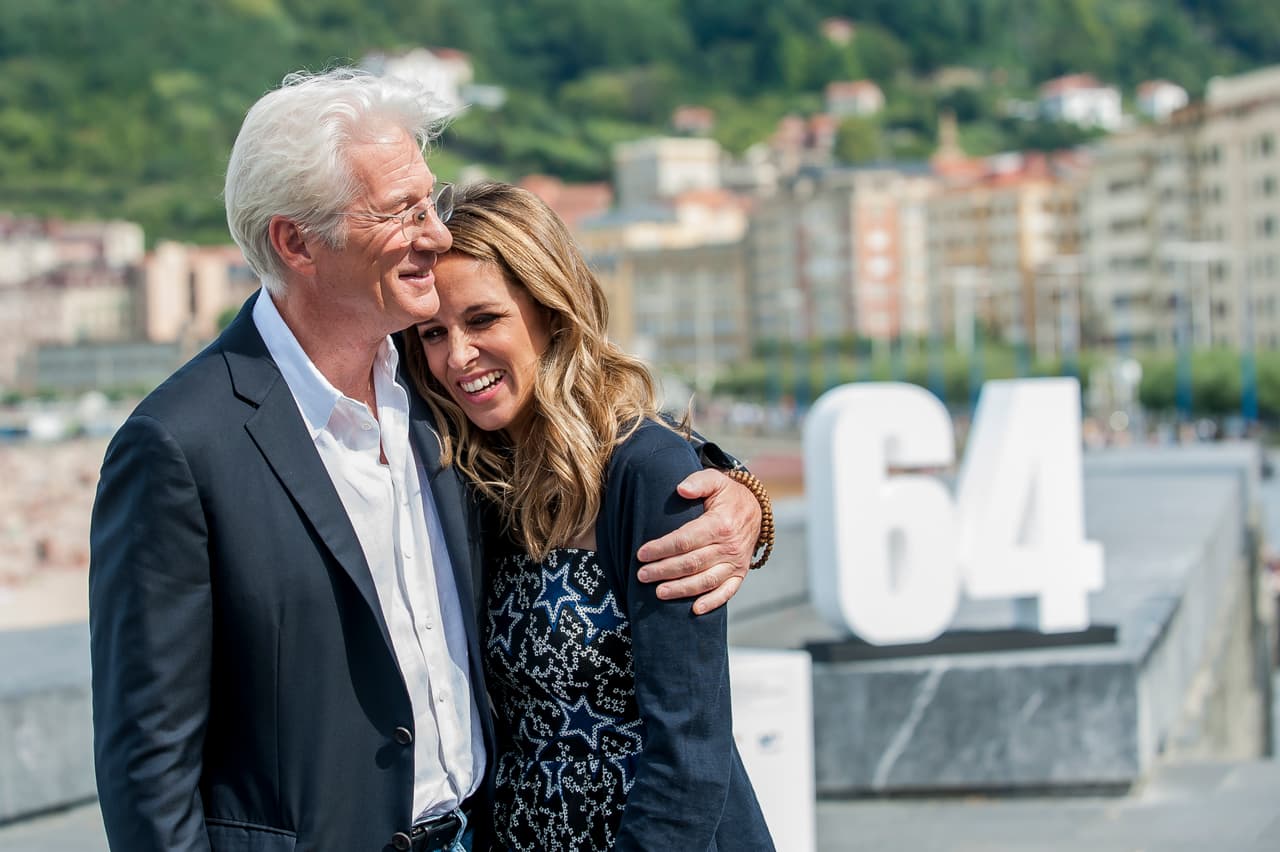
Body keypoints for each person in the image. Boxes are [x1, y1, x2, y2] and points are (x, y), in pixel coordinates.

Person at [88, 69, 767, 852]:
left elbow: (615, 453)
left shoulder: (431, 406)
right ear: (295, 242)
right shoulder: (179, 443)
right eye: (401, 211)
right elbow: (148, 766)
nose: (434, 233)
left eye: (430, 202)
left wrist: (744, 498)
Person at [402, 181, 775, 851]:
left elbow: (688, 753)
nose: (457, 356)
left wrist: (744, 493)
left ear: (550, 311)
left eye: (483, 320)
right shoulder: (475, 480)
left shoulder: (649, 474)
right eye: (434, 333)